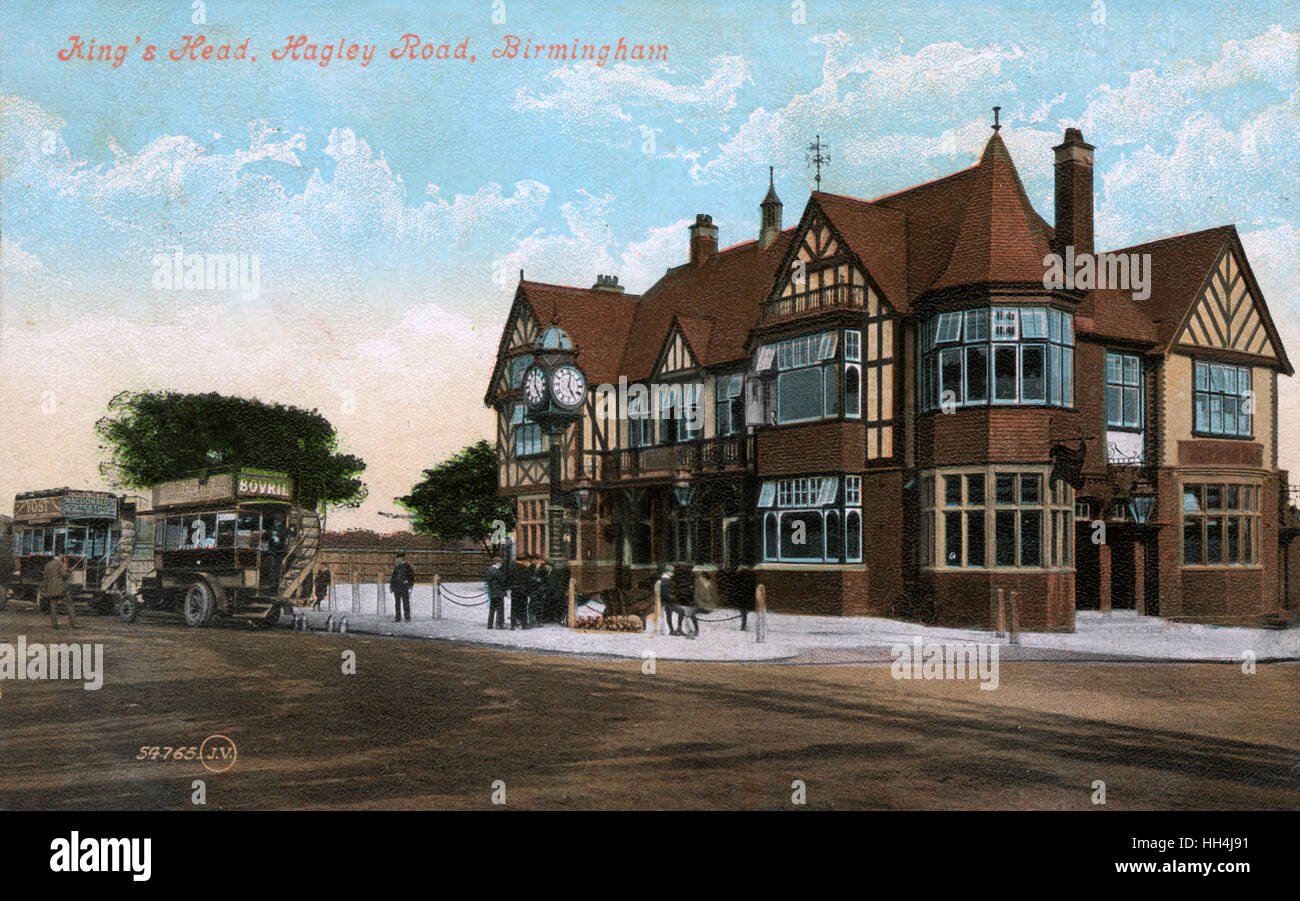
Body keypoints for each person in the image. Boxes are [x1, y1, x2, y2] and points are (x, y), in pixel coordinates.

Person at [42, 555, 78, 629]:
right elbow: (64, 575)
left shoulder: (47, 565)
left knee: (53, 607)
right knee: (70, 605)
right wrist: (69, 572)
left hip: (51, 589)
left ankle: (54, 625)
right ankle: (73, 624)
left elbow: (45, 578)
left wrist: (45, 589)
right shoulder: (61, 564)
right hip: (61, 589)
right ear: (59, 558)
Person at [389, 553, 415, 623]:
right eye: (397, 558)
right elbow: (393, 577)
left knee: (405, 603)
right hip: (396, 587)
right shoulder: (396, 567)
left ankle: (407, 618)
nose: (397, 560)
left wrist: (409, 584)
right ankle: (398, 618)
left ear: (402, 559)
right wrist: (391, 586)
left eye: (399, 558)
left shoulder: (407, 566)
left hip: (404, 587)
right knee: (397, 603)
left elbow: (411, 576)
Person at [485, 559, 506, 629]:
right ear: (497, 562)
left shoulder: (489, 570)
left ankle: (489, 624)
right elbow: (502, 581)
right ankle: (499, 624)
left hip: (492, 592)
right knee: (500, 610)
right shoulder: (497, 571)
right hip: (499, 592)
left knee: (492, 610)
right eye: (500, 562)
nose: (501, 564)